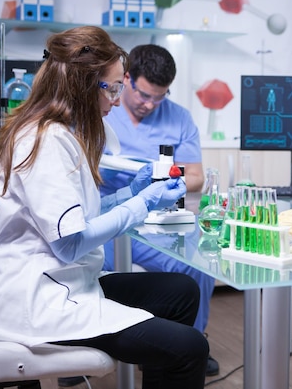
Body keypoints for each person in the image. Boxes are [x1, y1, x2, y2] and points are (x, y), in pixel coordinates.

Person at [0, 26, 209, 388]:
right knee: (190, 348)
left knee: (182, 290)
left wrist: (129, 195)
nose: (114, 99)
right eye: (111, 88)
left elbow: (80, 215)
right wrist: (141, 204)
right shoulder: (44, 141)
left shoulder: (62, 133)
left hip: (63, 280)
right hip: (41, 298)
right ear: (81, 87)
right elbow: (70, 243)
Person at [99, 44, 219, 376]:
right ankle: (91, 342)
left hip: (157, 219)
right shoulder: (103, 108)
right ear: (126, 79)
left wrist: (168, 178)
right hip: (109, 216)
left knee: (199, 257)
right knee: (100, 270)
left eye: (159, 97)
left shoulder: (179, 117)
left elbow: (196, 176)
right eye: (143, 95)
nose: (151, 104)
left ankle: (190, 338)